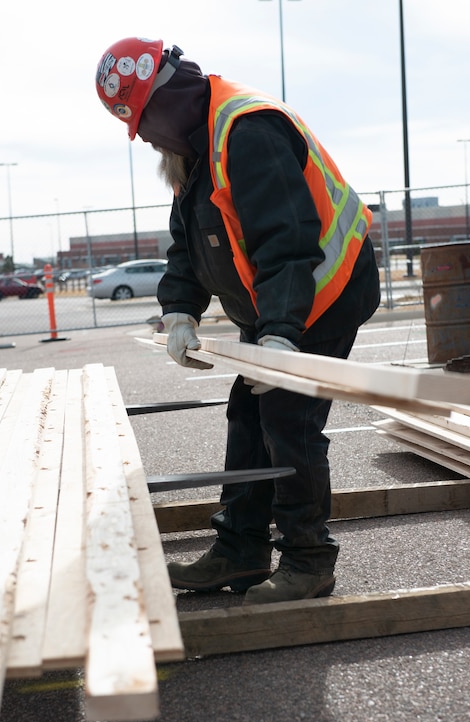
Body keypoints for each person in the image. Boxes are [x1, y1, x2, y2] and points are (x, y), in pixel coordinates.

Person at [96, 37, 381, 605]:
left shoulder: (246, 131)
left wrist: (280, 337)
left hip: (321, 293)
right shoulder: (194, 153)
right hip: (274, 303)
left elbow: (287, 243)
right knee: (247, 416)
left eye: (143, 122)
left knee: (287, 418)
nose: (145, 137)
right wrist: (180, 310)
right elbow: (189, 246)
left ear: (168, 97)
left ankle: (308, 559)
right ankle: (241, 549)